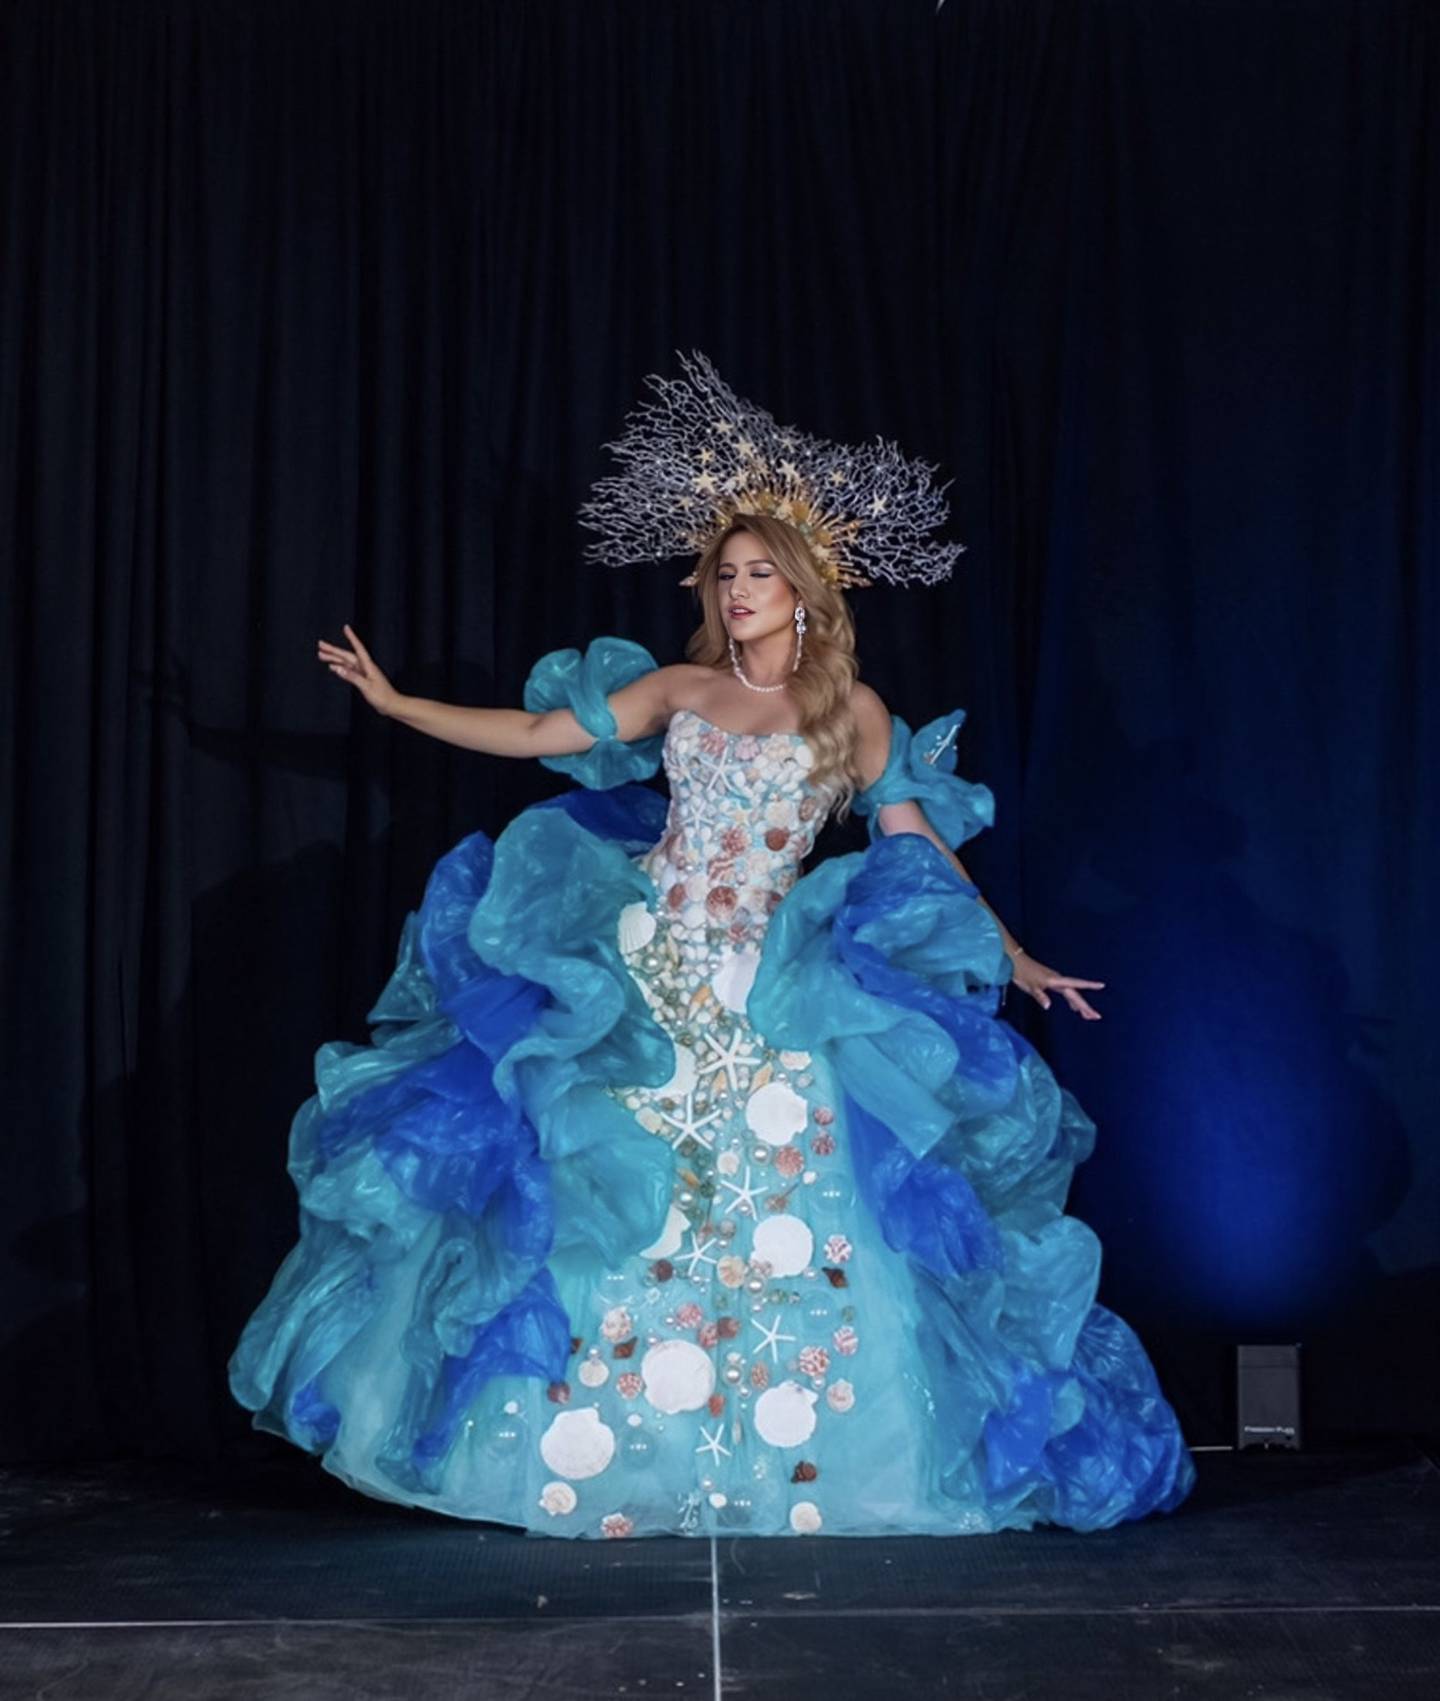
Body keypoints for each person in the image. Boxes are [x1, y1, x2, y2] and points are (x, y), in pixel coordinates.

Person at [229, 355, 1196, 1537]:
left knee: (789, 1192)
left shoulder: (851, 711)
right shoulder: (682, 688)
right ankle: (602, 1447)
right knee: (614, 1189)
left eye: (759, 574)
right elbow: (533, 732)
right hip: (645, 969)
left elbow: (915, 852)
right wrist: (395, 705)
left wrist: (1016, 953)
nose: (738, 591)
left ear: (804, 591)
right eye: (725, 573)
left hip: (774, 982)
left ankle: (795, 1453)